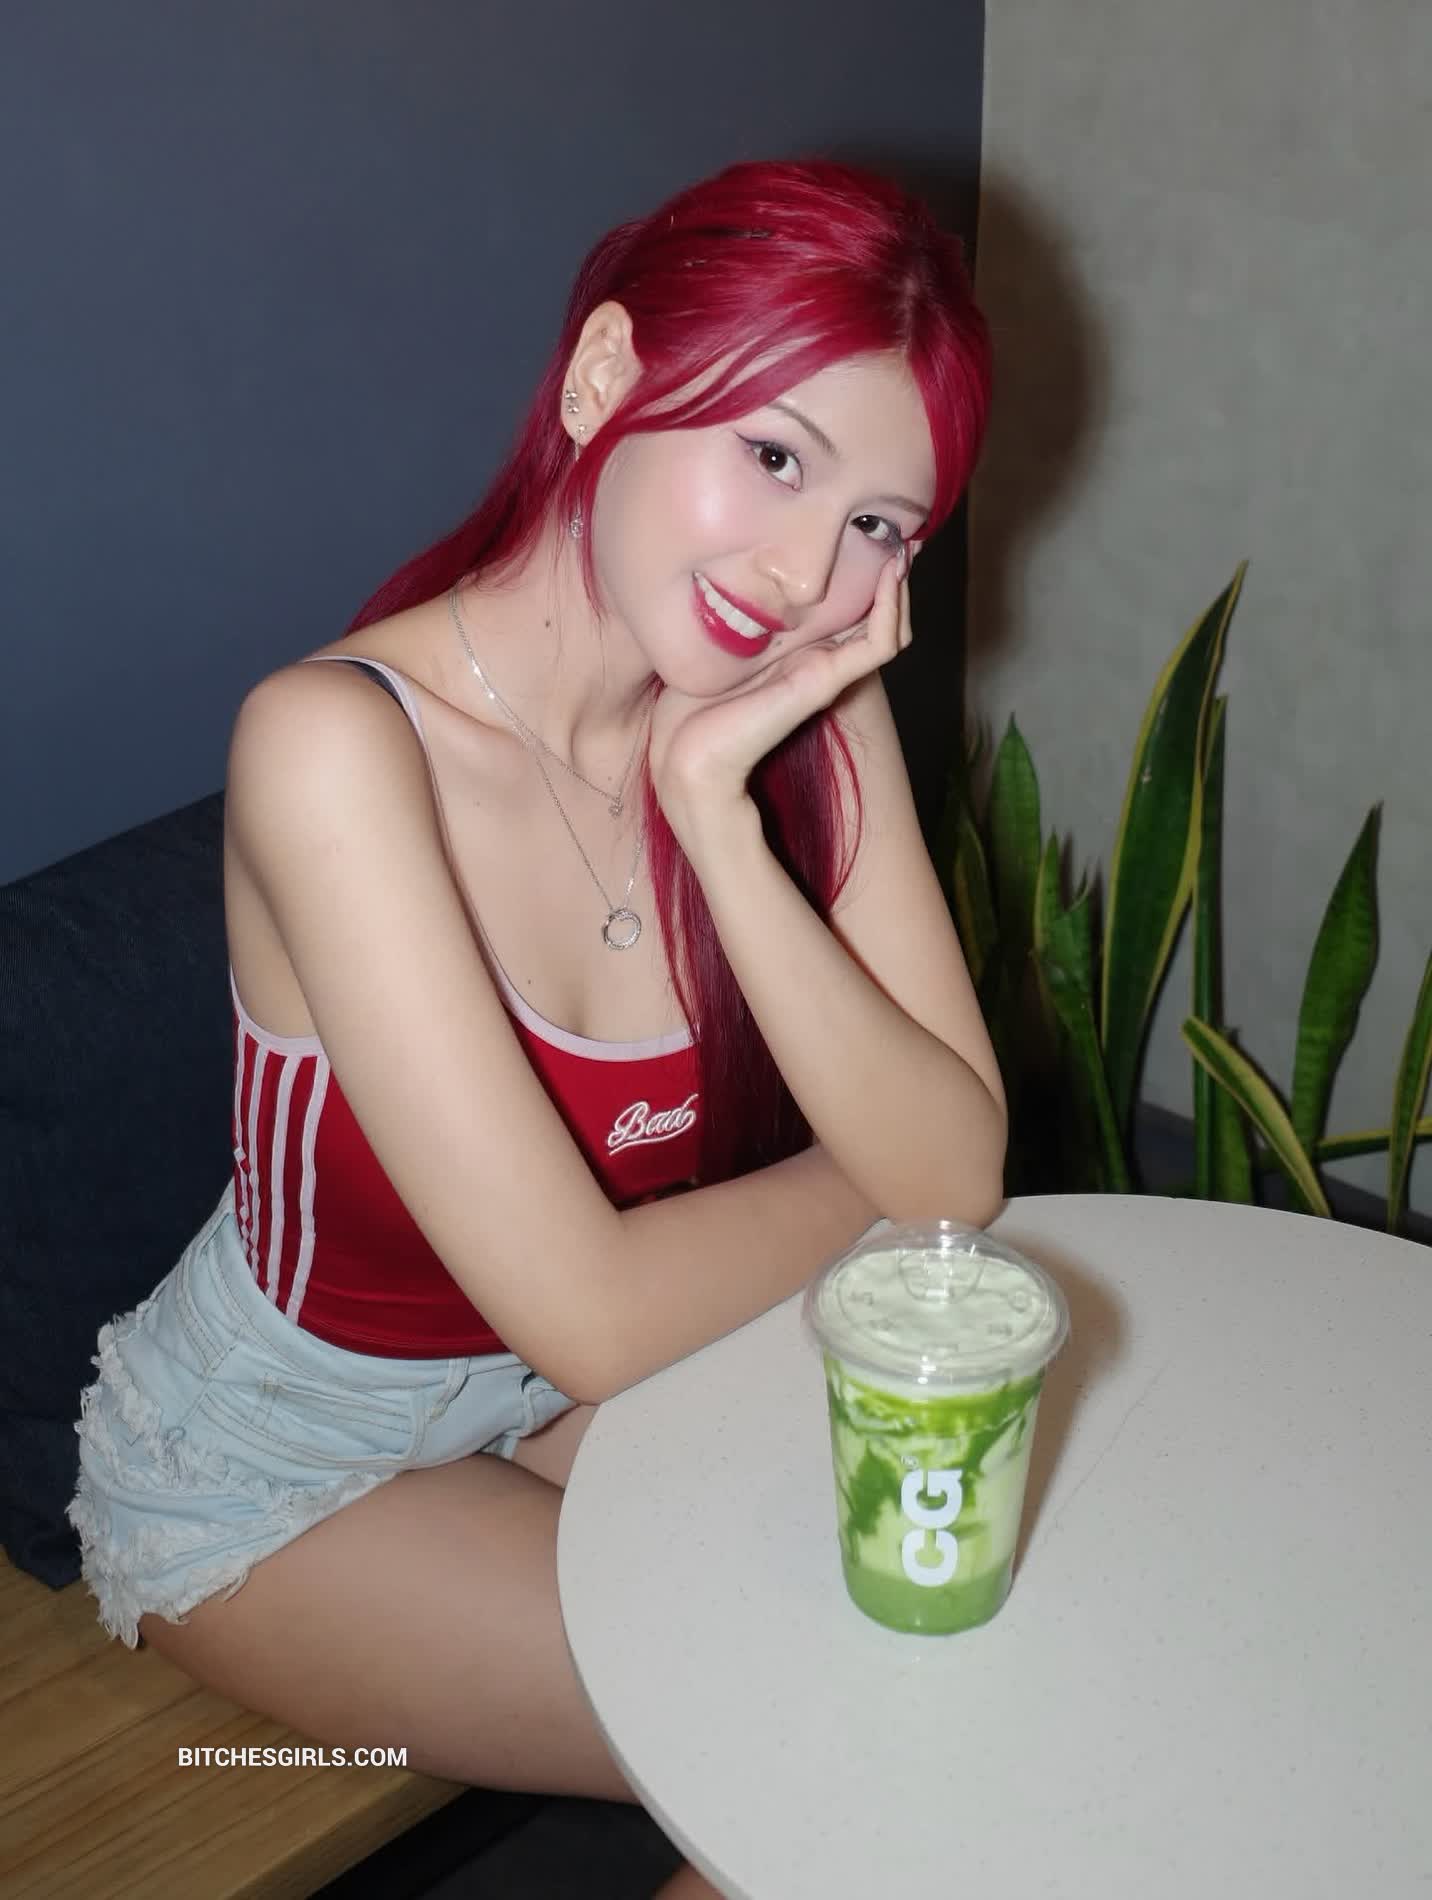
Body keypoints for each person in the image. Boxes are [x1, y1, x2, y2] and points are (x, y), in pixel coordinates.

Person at [68, 156, 1006, 1898]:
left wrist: (720, 822)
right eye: (775, 456)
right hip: (287, 1473)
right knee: (842, 1750)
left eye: (883, 525)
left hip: (570, 1405)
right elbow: (597, 1309)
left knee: (974, 1642)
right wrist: (870, 1187)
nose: (808, 571)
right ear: (603, 378)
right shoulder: (336, 747)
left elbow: (957, 1162)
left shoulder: (798, 704)